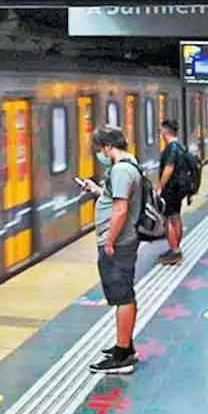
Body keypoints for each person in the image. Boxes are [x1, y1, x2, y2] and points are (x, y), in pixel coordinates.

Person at [80, 125, 141, 374]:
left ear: (107, 146)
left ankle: (123, 354)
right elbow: (115, 200)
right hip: (123, 241)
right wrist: (97, 191)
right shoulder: (128, 164)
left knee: (122, 296)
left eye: (99, 149)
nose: (99, 154)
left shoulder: (121, 170)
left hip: (119, 244)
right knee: (123, 294)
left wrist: (108, 242)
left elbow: (120, 209)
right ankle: (125, 345)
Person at [155, 119, 198, 265]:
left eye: (161, 130)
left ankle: (175, 252)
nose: (160, 132)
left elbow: (169, 168)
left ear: (166, 131)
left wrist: (160, 186)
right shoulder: (180, 146)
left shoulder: (171, 148)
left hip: (171, 189)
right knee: (175, 217)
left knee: (167, 219)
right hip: (179, 188)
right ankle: (175, 247)